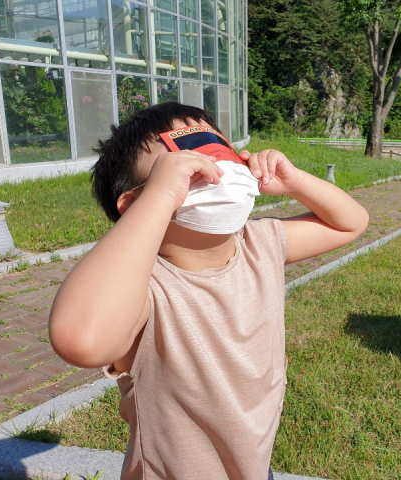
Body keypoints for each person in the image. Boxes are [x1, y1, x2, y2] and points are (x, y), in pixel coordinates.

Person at [49, 102, 369, 480]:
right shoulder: (144, 287)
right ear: (136, 205)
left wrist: (295, 181)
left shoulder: (260, 242)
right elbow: (80, 339)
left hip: (253, 466)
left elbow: (350, 223)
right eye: (183, 162)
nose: (212, 165)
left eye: (219, 150)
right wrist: (158, 199)